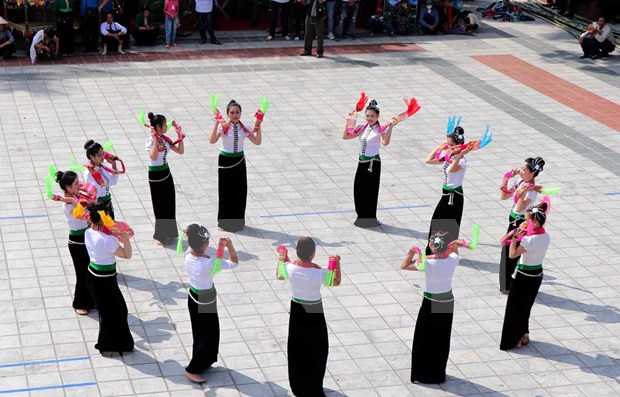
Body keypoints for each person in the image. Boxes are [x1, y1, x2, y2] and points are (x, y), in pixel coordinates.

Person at [276, 237, 341, 397]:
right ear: (313, 253)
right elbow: (335, 281)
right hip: (314, 312)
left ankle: (298, 386)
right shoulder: (318, 273)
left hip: (297, 310)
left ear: (297, 252)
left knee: (297, 348)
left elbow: (280, 274)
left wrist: (284, 257)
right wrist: (336, 264)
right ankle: (313, 385)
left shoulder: (289, 268)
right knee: (317, 349)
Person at [401, 231, 461, 384]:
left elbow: (404, 265)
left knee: (424, 338)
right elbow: (454, 252)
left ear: (432, 245)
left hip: (430, 301)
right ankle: (438, 373)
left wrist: (411, 252)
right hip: (447, 300)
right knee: (442, 338)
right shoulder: (453, 259)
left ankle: (422, 373)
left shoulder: (426, 262)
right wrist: (454, 246)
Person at [183, 224, 239, 383]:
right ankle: (192, 369)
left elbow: (191, 243)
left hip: (193, 297)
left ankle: (204, 361)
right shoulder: (209, 262)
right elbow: (234, 263)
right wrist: (231, 247)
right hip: (205, 301)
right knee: (208, 335)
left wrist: (189, 235)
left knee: (200, 332)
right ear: (204, 245)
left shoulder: (188, 255)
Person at [84, 201, 134, 356]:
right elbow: (127, 254)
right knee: (118, 310)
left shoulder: (88, 232)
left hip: (93, 275)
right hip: (106, 280)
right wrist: (124, 238)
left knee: (107, 312)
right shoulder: (108, 240)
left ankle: (110, 342)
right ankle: (114, 343)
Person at [500, 202, 550, 350]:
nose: (524, 223)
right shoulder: (545, 236)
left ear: (534, 221)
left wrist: (515, 239)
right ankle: (524, 333)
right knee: (526, 307)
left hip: (523, 275)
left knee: (514, 309)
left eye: (527, 220)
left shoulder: (530, 240)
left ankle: (515, 339)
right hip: (537, 275)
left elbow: (512, 254)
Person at [342, 100, 397, 228]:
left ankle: (369, 218)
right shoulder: (362, 127)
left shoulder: (380, 129)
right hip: (362, 162)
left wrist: (391, 128)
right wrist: (349, 121)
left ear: (377, 116)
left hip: (373, 163)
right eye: (367, 115)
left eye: (372, 116)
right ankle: (361, 216)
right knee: (358, 190)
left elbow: (385, 142)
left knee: (370, 191)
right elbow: (345, 136)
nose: (369, 118)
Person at [209, 100, 262, 232]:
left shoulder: (245, 128)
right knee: (225, 192)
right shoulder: (223, 127)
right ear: (227, 114)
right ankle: (224, 222)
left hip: (239, 161)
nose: (235, 115)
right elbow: (212, 140)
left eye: (237, 112)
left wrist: (258, 125)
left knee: (239, 191)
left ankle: (238, 222)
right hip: (225, 161)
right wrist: (216, 123)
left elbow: (257, 142)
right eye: (232, 113)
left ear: (241, 113)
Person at [498, 157, 545, 294]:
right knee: (506, 254)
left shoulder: (532, 191)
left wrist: (523, 192)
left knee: (511, 255)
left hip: (520, 223)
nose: (520, 171)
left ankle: (510, 285)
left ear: (532, 173)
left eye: (524, 169)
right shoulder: (520, 181)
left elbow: (519, 209)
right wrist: (506, 178)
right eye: (521, 168)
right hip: (512, 221)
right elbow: (504, 196)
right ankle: (506, 285)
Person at [54, 171, 97, 315]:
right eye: (76, 184)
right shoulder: (68, 205)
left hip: (85, 237)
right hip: (76, 242)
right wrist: (74, 202)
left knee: (89, 271)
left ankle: (91, 301)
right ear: (68, 187)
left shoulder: (76, 198)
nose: (80, 186)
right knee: (81, 273)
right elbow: (82, 215)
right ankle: (79, 302)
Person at [424, 125, 470, 254]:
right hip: (446, 195)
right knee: (436, 222)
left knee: (447, 225)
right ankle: (434, 250)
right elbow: (428, 160)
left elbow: (451, 170)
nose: (448, 147)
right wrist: (439, 147)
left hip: (454, 196)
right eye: (447, 144)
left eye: (451, 145)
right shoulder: (449, 156)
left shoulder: (462, 161)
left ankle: (445, 251)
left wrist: (460, 154)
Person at [145, 112, 185, 245]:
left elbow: (180, 151)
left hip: (166, 173)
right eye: (164, 125)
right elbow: (154, 157)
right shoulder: (151, 141)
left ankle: (170, 232)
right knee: (159, 205)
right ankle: (160, 235)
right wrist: (155, 141)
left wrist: (180, 137)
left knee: (169, 203)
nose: (166, 127)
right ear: (157, 126)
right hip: (155, 176)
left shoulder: (165, 139)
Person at [83, 139, 124, 219]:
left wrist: (114, 165)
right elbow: (93, 192)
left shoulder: (102, 168)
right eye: (99, 155)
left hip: (107, 202)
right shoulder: (90, 172)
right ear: (92, 157)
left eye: (103, 154)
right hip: (98, 205)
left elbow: (113, 182)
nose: (102, 157)